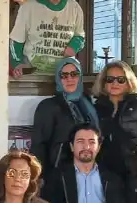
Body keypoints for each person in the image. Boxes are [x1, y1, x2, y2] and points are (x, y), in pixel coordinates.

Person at [10, 0, 85, 76]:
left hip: (63, 76)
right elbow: (16, 41)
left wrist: (74, 46)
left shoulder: (75, 8)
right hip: (33, 74)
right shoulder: (28, 6)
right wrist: (17, 64)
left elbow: (80, 36)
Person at [30, 57, 98, 185]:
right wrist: (38, 177)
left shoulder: (88, 103)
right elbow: (39, 145)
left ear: (80, 77)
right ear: (58, 79)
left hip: (88, 171)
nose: (69, 79)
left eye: (74, 74)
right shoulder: (48, 106)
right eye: (64, 75)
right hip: (59, 174)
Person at [93, 61, 137, 179]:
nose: (115, 83)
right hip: (106, 172)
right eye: (110, 79)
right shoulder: (96, 108)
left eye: (121, 80)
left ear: (129, 82)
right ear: (103, 83)